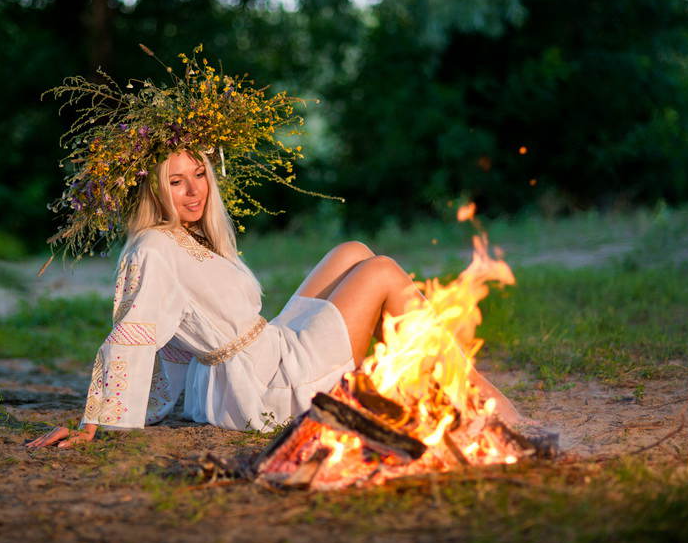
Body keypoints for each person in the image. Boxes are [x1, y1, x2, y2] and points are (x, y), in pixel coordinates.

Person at [28, 45, 520, 449]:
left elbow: (176, 339)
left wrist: (173, 400)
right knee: (385, 271)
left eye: (200, 175)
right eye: (176, 182)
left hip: (257, 358)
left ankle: (414, 388)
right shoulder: (154, 246)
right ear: (153, 189)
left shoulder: (187, 235)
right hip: (264, 388)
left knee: (354, 250)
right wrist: (94, 426)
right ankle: (481, 396)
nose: (195, 191)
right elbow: (133, 331)